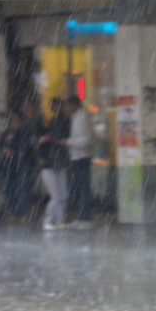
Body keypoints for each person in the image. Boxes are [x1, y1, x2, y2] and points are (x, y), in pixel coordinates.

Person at [38, 97, 71, 230]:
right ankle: (50, 220)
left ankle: (59, 219)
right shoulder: (57, 124)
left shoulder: (56, 124)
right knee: (58, 195)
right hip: (52, 165)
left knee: (61, 194)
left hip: (56, 163)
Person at [64, 95, 93, 229]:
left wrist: (68, 142)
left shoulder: (81, 118)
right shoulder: (79, 117)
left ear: (74, 105)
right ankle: (82, 217)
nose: (68, 108)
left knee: (83, 189)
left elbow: (85, 140)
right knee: (81, 188)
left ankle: (84, 218)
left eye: (69, 105)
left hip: (81, 158)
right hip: (78, 158)